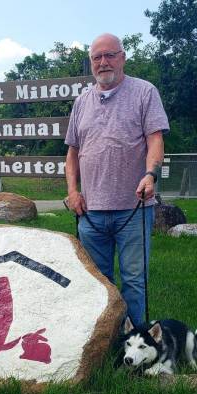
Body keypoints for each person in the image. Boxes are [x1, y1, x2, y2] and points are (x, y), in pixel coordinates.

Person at [65, 33, 169, 325]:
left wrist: (151, 174)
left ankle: (136, 342)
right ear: (91, 64)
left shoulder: (145, 92)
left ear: (122, 58)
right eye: (97, 57)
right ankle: (106, 341)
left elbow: (155, 139)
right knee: (98, 281)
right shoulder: (81, 102)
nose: (103, 62)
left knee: (134, 280)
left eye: (110, 55)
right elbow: (72, 153)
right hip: (91, 212)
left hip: (133, 208)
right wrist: (73, 192)